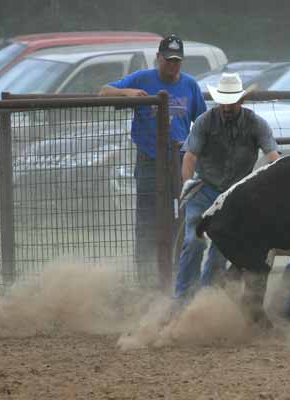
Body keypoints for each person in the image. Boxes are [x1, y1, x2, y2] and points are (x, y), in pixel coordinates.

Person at [98, 34, 207, 287]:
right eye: (168, 60)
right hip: (150, 160)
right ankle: (146, 280)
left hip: (181, 162)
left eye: (177, 61)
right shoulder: (142, 79)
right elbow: (104, 91)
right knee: (147, 221)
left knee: (183, 219)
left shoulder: (190, 86)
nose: (173, 65)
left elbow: (202, 124)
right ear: (158, 58)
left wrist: (198, 157)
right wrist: (128, 93)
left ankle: (181, 277)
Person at [174, 72, 281, 302]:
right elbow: (190, 156)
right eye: (223, 101)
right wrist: (186, 184)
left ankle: (205, 299)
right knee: (194, 242)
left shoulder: (255, 124)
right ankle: (182, 300)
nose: (226, 106)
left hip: (235, 196)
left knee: (222, 249)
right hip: (204, 190)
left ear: (241, 101)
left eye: (231, 101)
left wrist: (279, 178)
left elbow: (273, 155)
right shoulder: (205, 121)